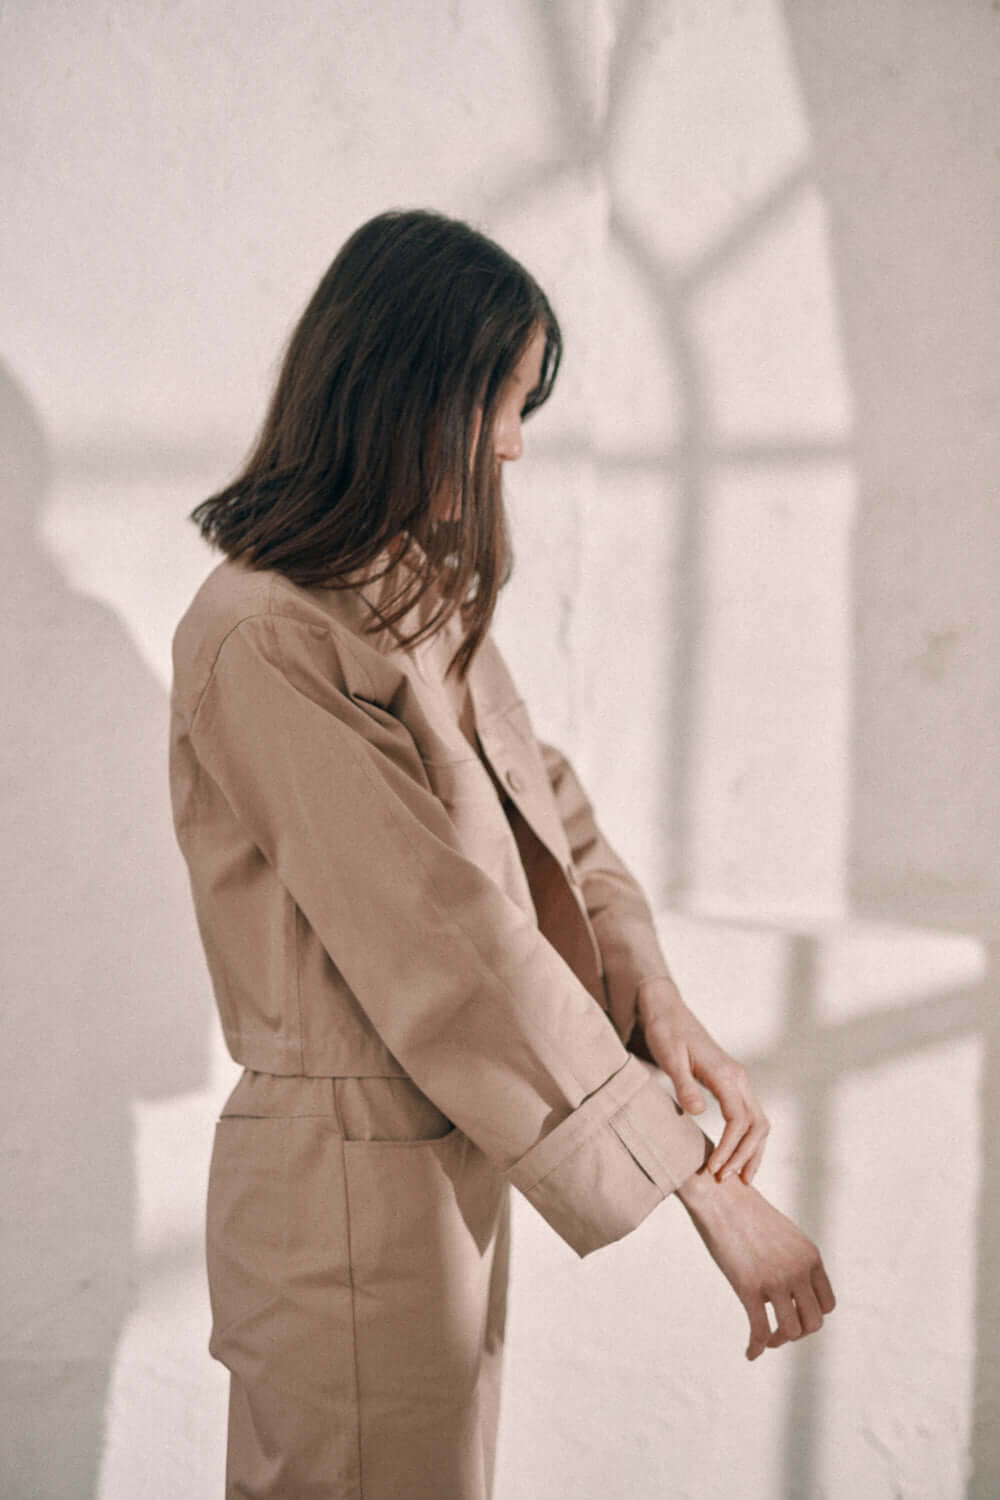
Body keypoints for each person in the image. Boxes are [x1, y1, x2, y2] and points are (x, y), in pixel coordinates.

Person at [168, 208, 835, 1500]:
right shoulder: (268, 636)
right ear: (404, 388)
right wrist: (700, 1185)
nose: (514, 443)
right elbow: (446, 936)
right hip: (346, 1177)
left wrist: (660, 1003)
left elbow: (552, 823)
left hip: (430, 1157)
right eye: (499, 402)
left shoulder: (398, 600)